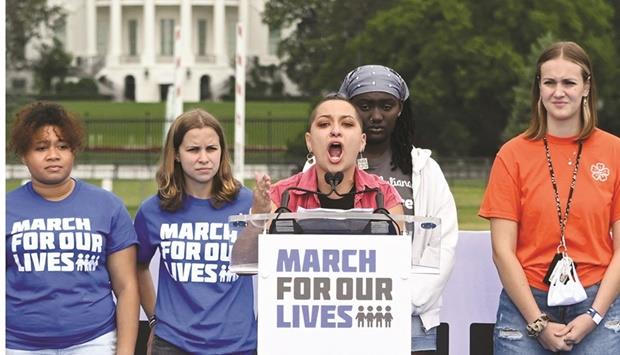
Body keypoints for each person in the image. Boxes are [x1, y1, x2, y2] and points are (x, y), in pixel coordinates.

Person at [479, 41, 620, 354]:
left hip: (598, 302)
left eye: (569, 82)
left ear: (586, 87)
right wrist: (537, 321)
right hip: (525, 305)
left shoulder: (615, 152)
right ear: (539, 88)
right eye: (550, 82)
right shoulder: (511, 155)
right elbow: (502, 251)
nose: (559, 92)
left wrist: (594, 315)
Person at [338, 64, 458, 354]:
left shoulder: (425, 170)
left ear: (400, 109)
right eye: (365, 106)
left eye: (387, 106)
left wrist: (406, 300)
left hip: (410, 322)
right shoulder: (321, 166)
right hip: (338, 319)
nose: (376, 116)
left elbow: (442, 244)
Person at [5, 101, 139, 354]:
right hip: (19, 345)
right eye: (40, 148)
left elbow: (126, 287)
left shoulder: (108, 206)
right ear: (24, 154)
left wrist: (125, 351)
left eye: (63, 146)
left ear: (74, 151)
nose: (53, 155)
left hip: (93, 342)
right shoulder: (6, 208)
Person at [135, 109, 257, 355]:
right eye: (193, 150)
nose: (204, 158)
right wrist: (153, 320)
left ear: (222, 152)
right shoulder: (153, 210)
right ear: (177, 154)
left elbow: (265, 262)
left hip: (238, 345)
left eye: (211, 149)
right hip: (173, 344)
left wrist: (264, 215)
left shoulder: (247, 203)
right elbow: (137, 266)